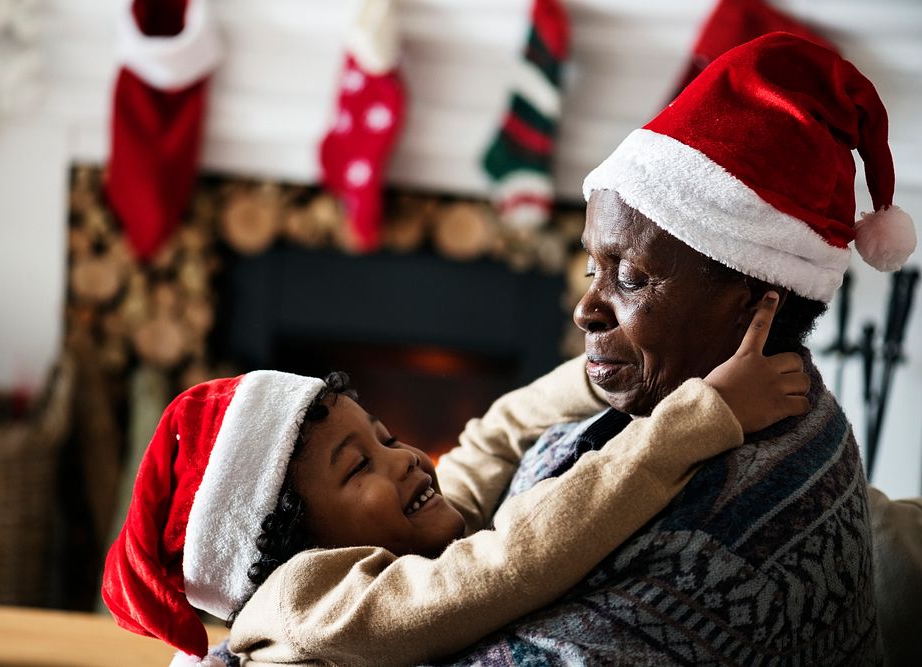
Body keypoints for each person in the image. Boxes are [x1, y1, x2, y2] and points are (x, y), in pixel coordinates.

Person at [418, 32, 915, 666]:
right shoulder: (695, 387)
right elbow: (499, 439)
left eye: (628, 276)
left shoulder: (719, 551)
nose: (585, 309)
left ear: (754, 299)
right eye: (591, 265)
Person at [102, 295, 806, 666]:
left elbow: (493, 437)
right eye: (359, 466)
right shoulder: (303, 601)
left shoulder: (395, 543)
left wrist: (617, 370)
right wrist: (696, 418)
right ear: (293, 546)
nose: (403, 455)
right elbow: (508, 564)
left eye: (382, 435)